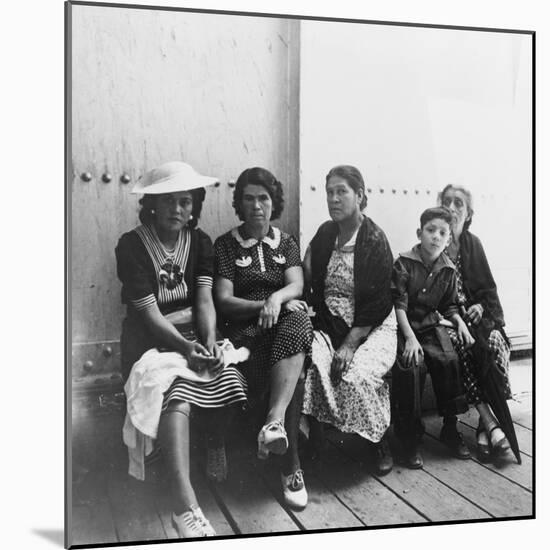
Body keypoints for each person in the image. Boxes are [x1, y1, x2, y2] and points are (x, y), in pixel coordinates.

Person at [115, 161, 248, 538]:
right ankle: (184, 506)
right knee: (178, 394)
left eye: (186, 202)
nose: (178, 210)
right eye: (169, 201)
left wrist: (207, 341)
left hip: (194, 336)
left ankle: (213, 442)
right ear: (151, 204)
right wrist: (186, 348)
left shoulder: (200, 242)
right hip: (150, 342)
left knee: (228, 372)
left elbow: (205, 300)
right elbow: (150, 315)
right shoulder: (132, 245)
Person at [214, 167, 313, 510]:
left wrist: (276, 299)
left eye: (264, 198)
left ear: (275, 203)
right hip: (244, 331)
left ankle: (274, 424)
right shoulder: (226, 245)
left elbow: (296, 284)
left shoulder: (285, 243)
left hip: (282, 325)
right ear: (239, 204)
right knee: (294, 371)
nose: (257, 205)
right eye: (249, 198)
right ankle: (291, 468)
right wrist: (262, 305)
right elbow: (224, 300)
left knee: (298, 321)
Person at [301, 165, 398, 476]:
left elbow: (380, 302)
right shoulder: (326, 233)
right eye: (330, 192)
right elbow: (308, 269)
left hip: (372, 326)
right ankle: (314, 441)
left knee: (356, 376)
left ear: (360, 195)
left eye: (341, 191)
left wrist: (350, 345)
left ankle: (377, 440)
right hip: (330, 322)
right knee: (313, 361)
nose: (334, 199)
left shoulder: (374, 239)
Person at [392, 206, 474, 469]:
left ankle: (450, 428)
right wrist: (410, 338)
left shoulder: (448, 269)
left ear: (448, 238)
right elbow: (398, 306)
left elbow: (449, 305)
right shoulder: (404, 262)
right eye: (430, 230)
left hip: (430, 326)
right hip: (403, 327)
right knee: (411, 365)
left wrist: (459, 322)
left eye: (442, 233)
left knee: (448, 358)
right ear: (420, 232)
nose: (436, 237)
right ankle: (410, 439)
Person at [439, 184, 512, 461]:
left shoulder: (473, 244)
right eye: (447, 201)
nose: (452, 208)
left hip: (475, 319)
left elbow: (488, 291)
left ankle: (485, 427)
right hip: (448, 321)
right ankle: (492, 424)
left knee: (496, 343)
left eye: (459, 204)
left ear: (468, 214)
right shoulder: (436, 241)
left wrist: (481, 306)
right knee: (462, 345)